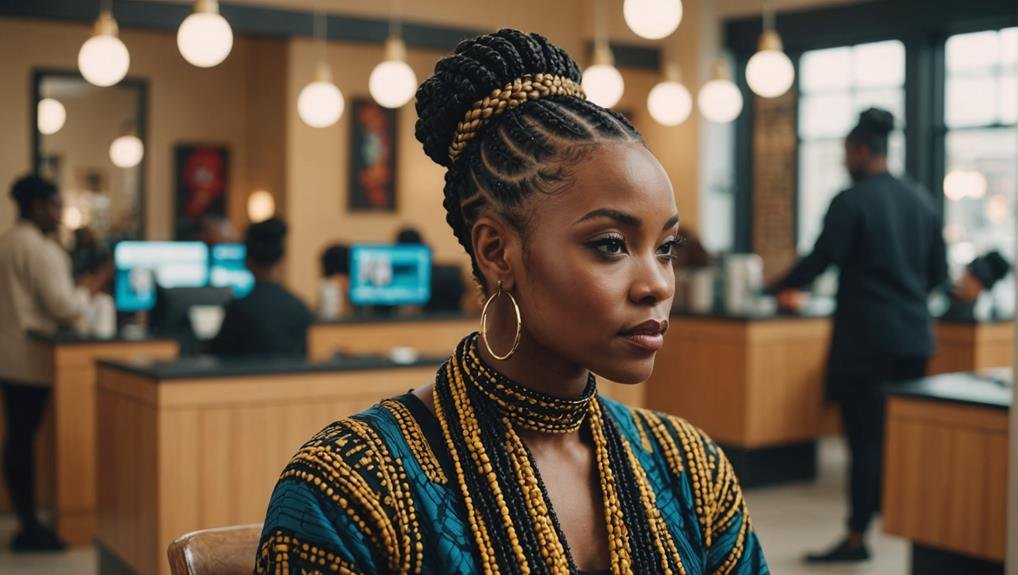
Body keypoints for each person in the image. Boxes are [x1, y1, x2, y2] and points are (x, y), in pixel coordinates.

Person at [254, 29, 768, 574]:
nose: (659, 285)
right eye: (611, 245)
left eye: (666, 248)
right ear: (497, 251)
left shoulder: (689, 467)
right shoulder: (350, 490)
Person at [766, 108, 948, 564]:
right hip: (914, 338)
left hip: (868, 339)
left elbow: (822, 259)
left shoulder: (852, 200)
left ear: (862, 150)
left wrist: (775, 287)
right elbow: (936, 275)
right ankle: (903, 520)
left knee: (864, 438)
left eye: (847, 152)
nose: (845, 160)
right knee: (895, 435)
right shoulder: (922, 199)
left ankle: (856, 536)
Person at [0, 175, 104, 551]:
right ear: (37, 207)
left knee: (18, 438)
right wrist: (88, 290)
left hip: (10, 359)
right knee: (22, 440)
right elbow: (62, 306)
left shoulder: (8, 240)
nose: (62, 214)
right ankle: (30, 526)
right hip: (32, 361)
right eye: (57, 205)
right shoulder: (41, 250)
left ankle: (27, 520)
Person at [209, 218, 313, 358]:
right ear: (282, 258)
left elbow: (217, 357)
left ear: (247, 260)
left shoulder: (239, 309)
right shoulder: (301, 309)